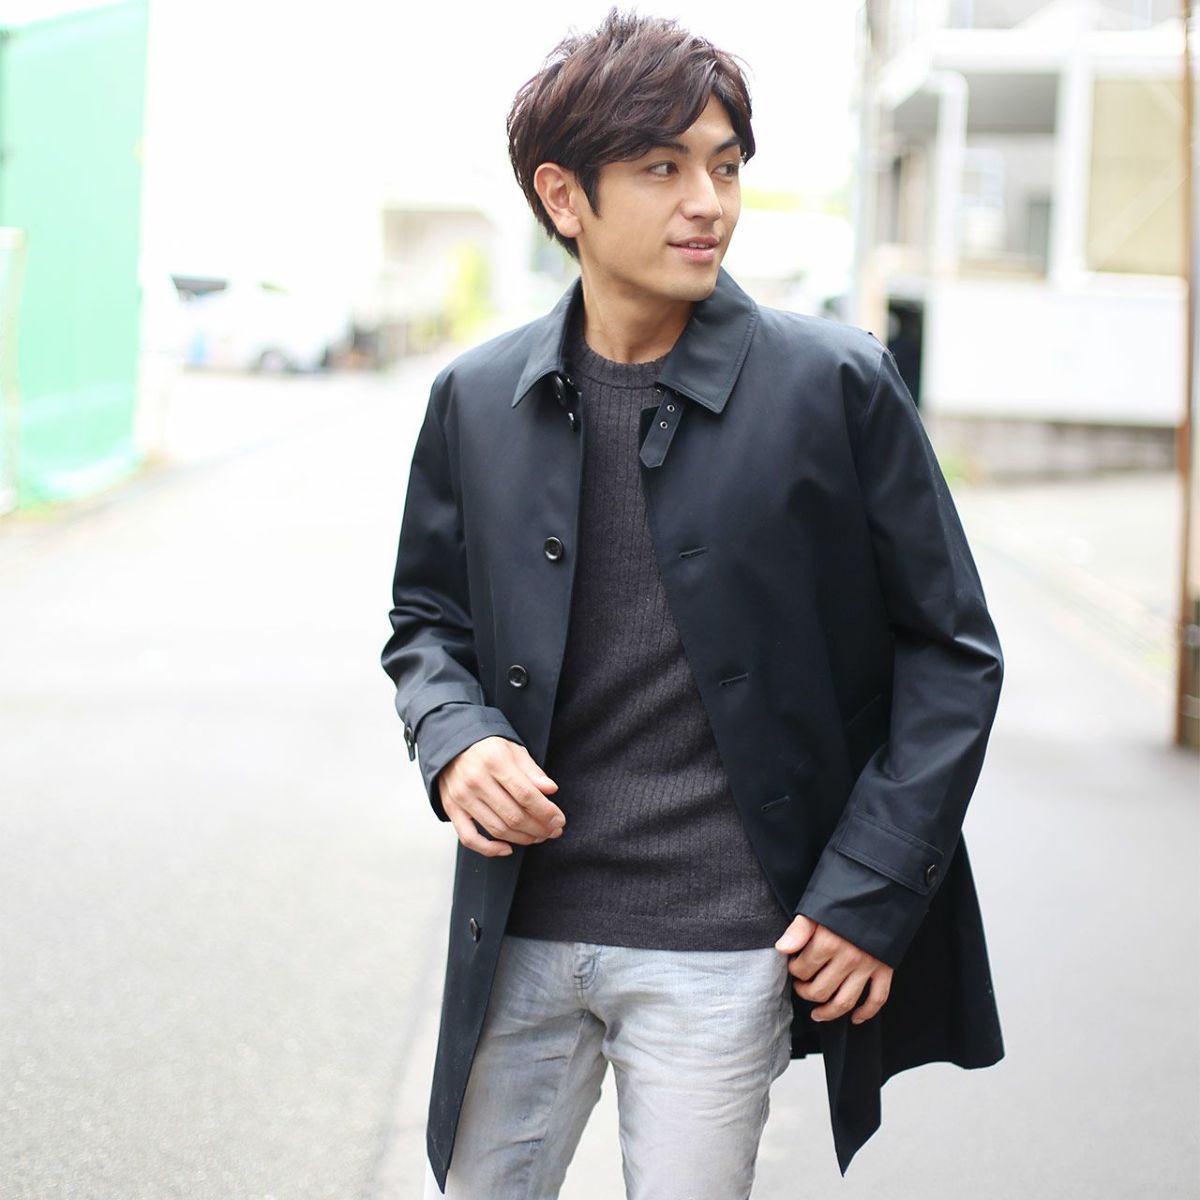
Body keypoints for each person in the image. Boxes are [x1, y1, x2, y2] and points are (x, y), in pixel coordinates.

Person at [381, 9, 1005, 1199]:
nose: (707, 202)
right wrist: (455, 740)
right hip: (519, 928)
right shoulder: (476, 397)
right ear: (563, 196)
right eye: (662, 169)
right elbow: (427, 622)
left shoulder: (835, 386)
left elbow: (952, 652)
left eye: (725, 166)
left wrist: (873, 891)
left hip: (723, 945)